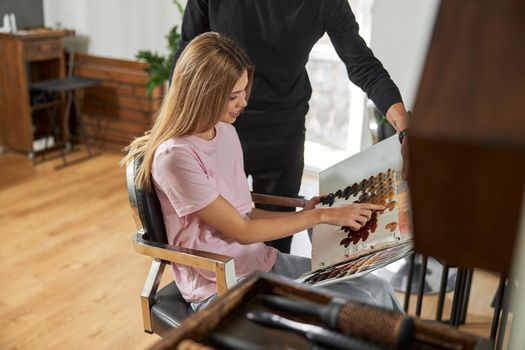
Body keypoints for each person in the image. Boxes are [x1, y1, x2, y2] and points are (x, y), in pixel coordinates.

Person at [124, 32, 401, 312]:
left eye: (244, 91)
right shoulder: (175, 156)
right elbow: (242, 230)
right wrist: (320, 216)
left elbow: (243, 213)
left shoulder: (226, 133)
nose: (243, 102)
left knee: (376, 289)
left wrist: (306, 211)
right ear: (203, 94)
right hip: (220, 284)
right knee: (354, 310)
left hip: (261, 261)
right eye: (233, 96)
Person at [171, 0, 410, 254]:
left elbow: (363, 66)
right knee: (216, 237)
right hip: (215, 127)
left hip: (283, 132)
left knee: (276, 246)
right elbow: (189, 54)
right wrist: (175, 125)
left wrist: (405, 130)